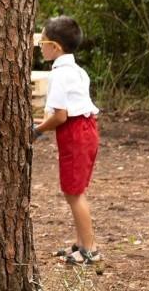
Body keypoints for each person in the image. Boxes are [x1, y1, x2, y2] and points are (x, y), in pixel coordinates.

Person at [34, 15, 101, 267]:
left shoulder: (60, 74)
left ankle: (90, 250)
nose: (40, 45)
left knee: (73, 193)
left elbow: (60, 116)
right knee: (75, 190)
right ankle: (80, 243)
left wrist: (37, 130)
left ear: (55, 47)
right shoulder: (76, 70)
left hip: (75, 133)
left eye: (43, 42)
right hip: (85, 131)